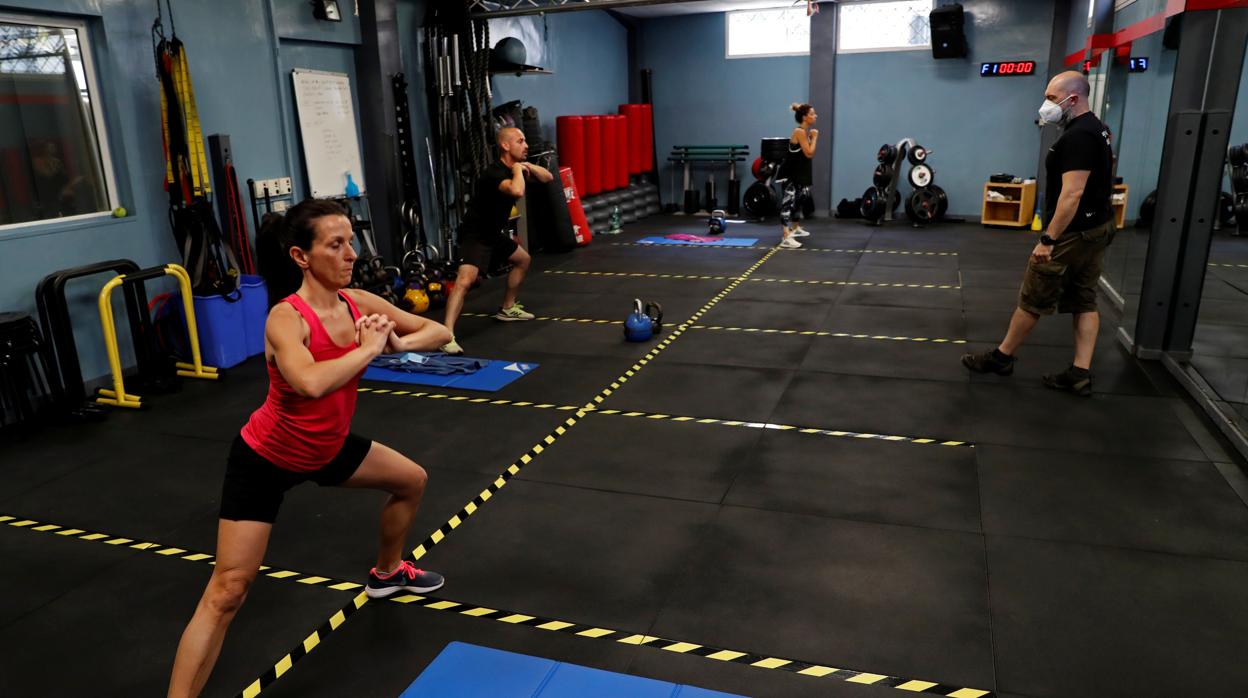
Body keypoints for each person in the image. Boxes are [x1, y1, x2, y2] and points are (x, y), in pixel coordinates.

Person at [168, 199, 453, 697]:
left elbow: (440, 330)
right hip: (265, 460)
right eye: (336, 245)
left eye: (351, 243)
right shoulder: (286, 318)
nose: (351, 256)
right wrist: (366, 349)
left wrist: (397, 345)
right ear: (302, 256)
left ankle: (387, 573)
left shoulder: (359, 302)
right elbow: (310, 383)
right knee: (228, 591)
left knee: (412, 480)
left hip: (328, 448)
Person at [961, 71, 1114, 396]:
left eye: (1052, 98)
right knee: (1085, 299)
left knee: (1033, 296)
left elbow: (1072, 194)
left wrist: (1049, 239)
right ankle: (1080, 372)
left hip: (1073, 233)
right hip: (1098, 226)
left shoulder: (1078, 137)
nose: (1046, 105)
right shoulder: (1097, 128)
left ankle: (1003, 357)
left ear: (1073, 99)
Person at [440, 127, 553, 355]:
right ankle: (444, 335)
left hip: (493, 233)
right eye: (520, 141)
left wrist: (527, 166)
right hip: (476, 233)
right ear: (505, 146)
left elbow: (548, 177)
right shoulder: (494, 173)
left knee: (523, 260)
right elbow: (517, 191)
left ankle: (507, 308)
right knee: (465, 280)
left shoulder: (516, 168)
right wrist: (519, 171)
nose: (526, 145)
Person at [777, 103, 818, 249]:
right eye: (812, 114)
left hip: (798, 174)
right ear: (805, 117)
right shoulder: (799, 132)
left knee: (800, 199)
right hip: (789, 174)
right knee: (788, 203)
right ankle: (786, 236)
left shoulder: (804, 132)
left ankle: (795, 228)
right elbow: (809, 153)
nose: (815, 116)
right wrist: (814, 138)